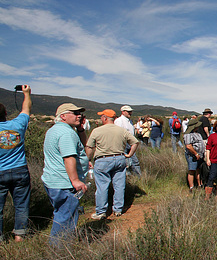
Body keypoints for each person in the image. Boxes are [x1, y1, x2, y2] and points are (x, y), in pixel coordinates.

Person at [42, 103, 90, 245]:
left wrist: (81, 129)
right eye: (74, 113)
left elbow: (82, 147)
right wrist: (75, 180)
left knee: (62, 214)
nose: (79, 115)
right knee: (65, 218)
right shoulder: (66, 133)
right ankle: (60, 251)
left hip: (54, 181)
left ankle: (60, 245)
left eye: (79, 113)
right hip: (64, 183)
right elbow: (68, 157)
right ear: (63, 116)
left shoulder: (55, 130)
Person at [85, 109, 138, 219]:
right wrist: (129, 155)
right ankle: (118, 209)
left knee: (102, 186)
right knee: (119, 185)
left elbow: (89, 147)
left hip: (102, 160)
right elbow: (135, 142)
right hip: (120, 158)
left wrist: (88, 160)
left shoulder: (97, 131)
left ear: (105, 118)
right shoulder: (121, 131)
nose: (101, 118)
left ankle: (101, 211)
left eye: (101, 117)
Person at [0, 84, 32, 242]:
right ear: (6, 113)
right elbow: (26, 110)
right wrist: (26, 94)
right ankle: (20, 235)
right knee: (21, 205)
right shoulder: (17, 125)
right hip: (19, 170)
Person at [114, 105, 141, 176]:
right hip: (123, 144)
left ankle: (138, 177)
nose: (130, 113)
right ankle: (128, 178)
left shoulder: (129, 121)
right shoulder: (119, 121)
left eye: (130, 111)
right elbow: (118, 134)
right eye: (128, 111)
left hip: (131, 144)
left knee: (135, 162)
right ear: (123, 112)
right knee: (126, 163)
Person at [183, 118, 205, 192]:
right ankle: (191, 187)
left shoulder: (197, 133)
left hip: (200, 155)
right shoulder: (188, 134)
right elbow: (188, 146)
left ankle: (199, 184)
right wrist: (195, 153)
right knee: (192, 170)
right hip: (192, 156)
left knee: (198, 169)